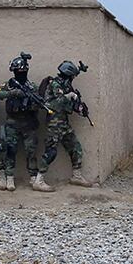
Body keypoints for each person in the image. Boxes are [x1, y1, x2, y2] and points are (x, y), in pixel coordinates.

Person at [34, 59, 92, 191]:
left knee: (75, 147)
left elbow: (68, 105)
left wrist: (79, 108)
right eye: (72, 76)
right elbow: (52, 104)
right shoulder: (54, 85)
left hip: (64, 123)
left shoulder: (65, 85)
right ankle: (39, 180)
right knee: (51, 152)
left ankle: (76, 176)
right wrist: (69, 96)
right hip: (54, 124)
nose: (73, 78)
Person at [1, 52, 44, 192]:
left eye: (23, 71)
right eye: (17, 71)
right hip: (12, 123)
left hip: (28, 124)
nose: (20, 73)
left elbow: (39, 103)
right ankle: (9, 177)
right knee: (10, 151)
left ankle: (33, 177)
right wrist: (12, 93)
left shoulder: (32, 87)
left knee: (31, 152)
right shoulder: (10, 84)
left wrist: (32, 103)